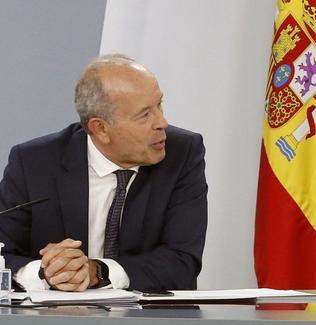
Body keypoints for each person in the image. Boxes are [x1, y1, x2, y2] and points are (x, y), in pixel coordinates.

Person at [0, 55, 207, 291]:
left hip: (151, 323)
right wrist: (46, 272)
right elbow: (2, 252)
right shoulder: (34, 163)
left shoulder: (182, 153)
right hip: (55, 323)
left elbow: (182, 262)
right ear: (100, 129)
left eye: (159, 105)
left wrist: (97, 271)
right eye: (145, 114)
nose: (163, 123)